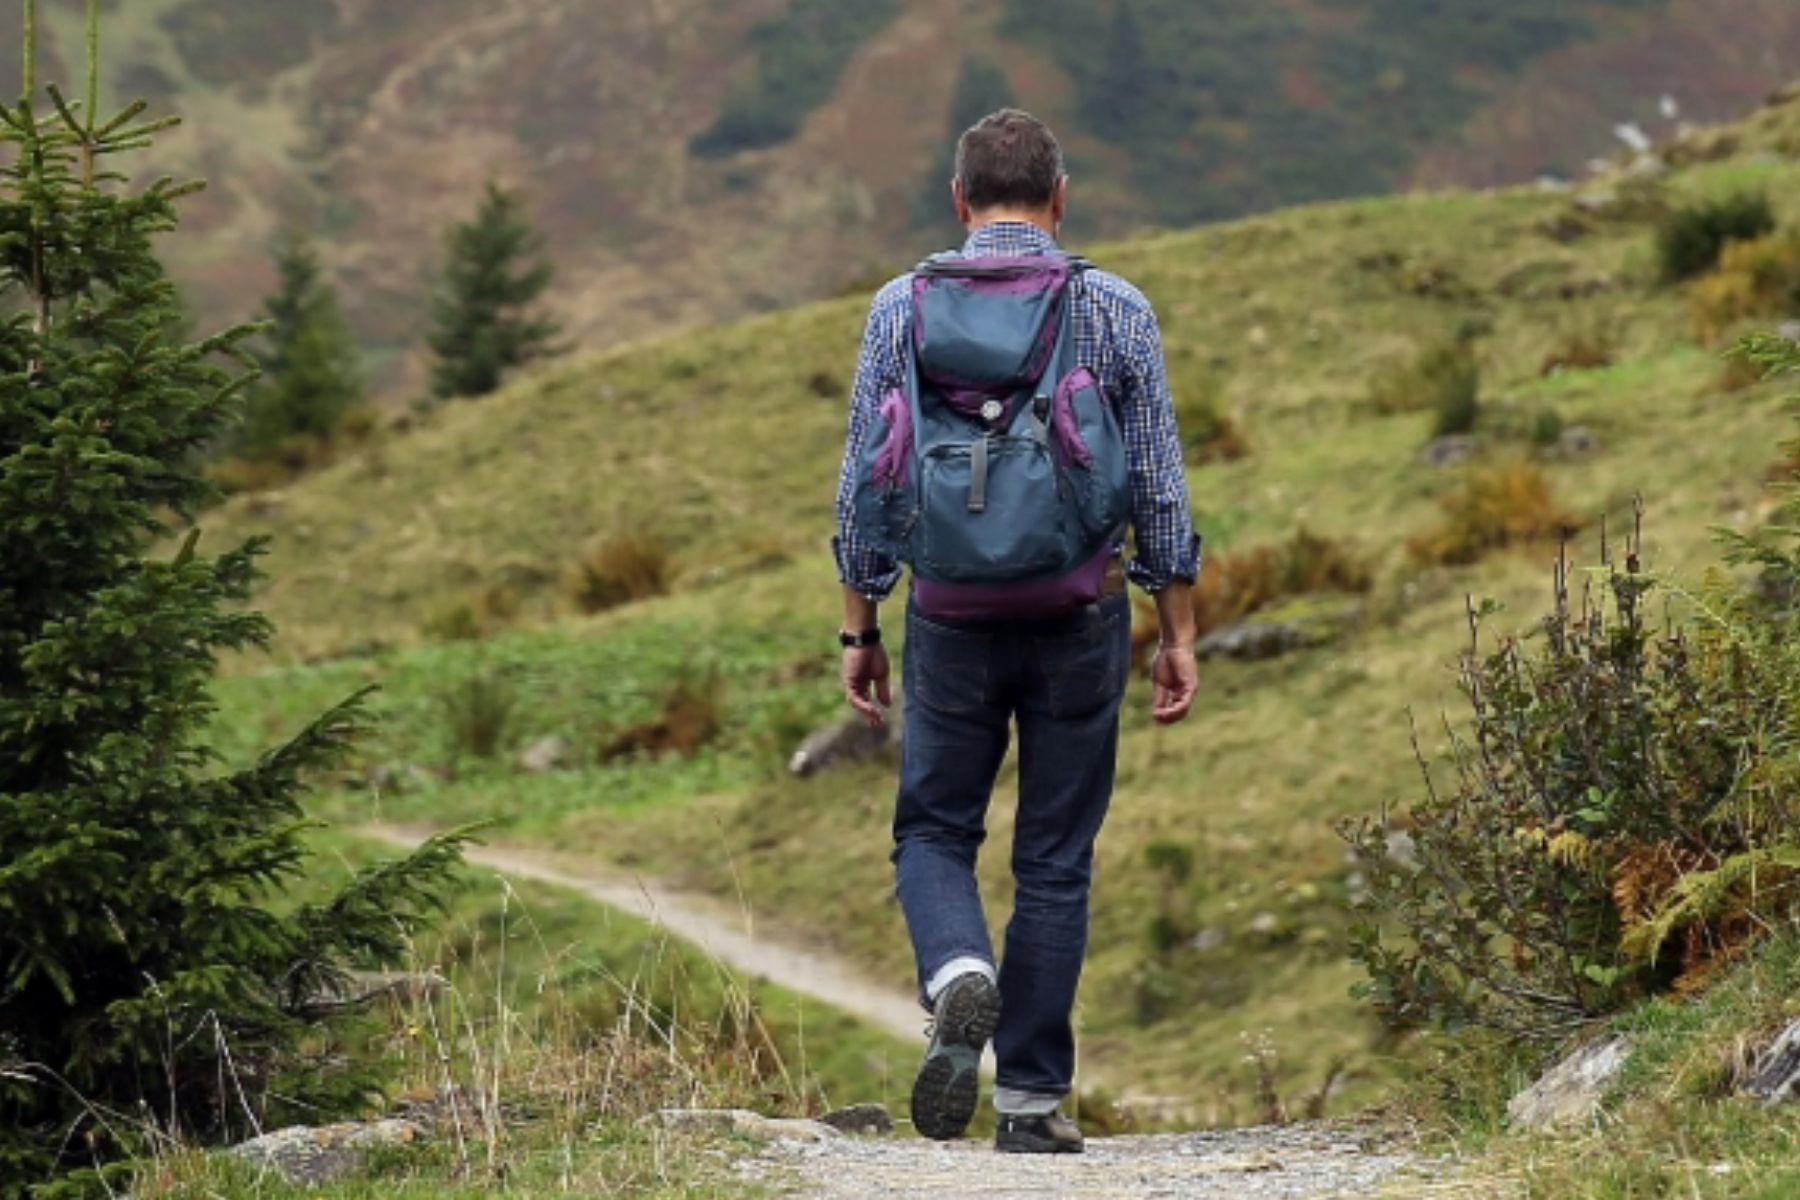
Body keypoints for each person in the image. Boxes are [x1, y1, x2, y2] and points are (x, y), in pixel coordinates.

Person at [831, 108, 1201, 1154]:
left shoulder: (900, 308)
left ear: (959, 201)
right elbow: (1161, 484)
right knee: (1055, 857)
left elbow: (867, 475)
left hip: (947, 613)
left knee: (934, 829)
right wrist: (1176, 626)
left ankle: (958, 971)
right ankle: (1032, 1103)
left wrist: (861, 624)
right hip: (1079, 610)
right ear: (1060, 196)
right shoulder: (1114, 308)